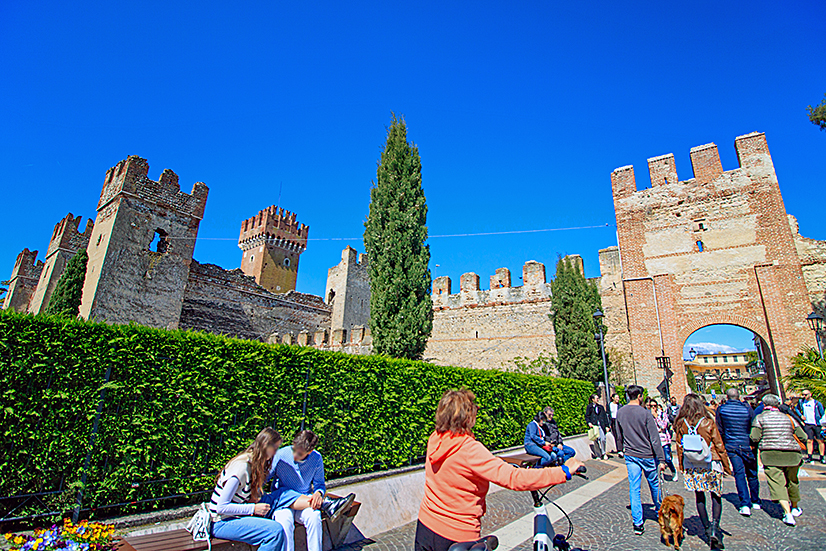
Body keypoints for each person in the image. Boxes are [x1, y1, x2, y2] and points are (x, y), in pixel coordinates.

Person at [415, 389, 583, 551]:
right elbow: (515, 478)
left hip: (425, 526)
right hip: (457, 535)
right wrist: (564, 471)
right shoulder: (470, 449)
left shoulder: (435, 438)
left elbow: (460, 469)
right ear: (466, 417)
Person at [268, 430, 355, 551]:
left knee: (314, 517)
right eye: (294, 450)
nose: (295, 456)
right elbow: (266, 477)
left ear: (309, 452)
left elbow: (319, 484)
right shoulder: (281, 454)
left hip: (305, 500)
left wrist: (318, 493)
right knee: (284, 521)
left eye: (299, 453)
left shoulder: (316, 458)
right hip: (283, 502)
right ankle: (328, 504)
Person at [208, 428, 289, 551]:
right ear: (266, 446)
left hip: (233, 517)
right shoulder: (241, 468)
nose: (275, 453)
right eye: (275, 448)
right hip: (220, 522)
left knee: (282, 498)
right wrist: (253, 509)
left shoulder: (253, 463)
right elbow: (221, 507)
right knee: (275, 532)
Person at [674, 394, 732, 550]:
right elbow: (719, 445)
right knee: (716, 495)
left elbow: (679, 447)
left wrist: (681, 465)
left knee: (699, 496)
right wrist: (726, 466)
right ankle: (715, 527)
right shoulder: (708, 422)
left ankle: (706, 528)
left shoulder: (681, 424)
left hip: (693, 464)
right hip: (711, 462)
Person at [615, 385, 666, 536]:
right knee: (654, 484)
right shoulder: (645, 413)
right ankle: (659, 511)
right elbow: (654, 438)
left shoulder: (620, 412)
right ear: (639, 396)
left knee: (634, 488)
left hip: (630, 455)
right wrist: (661, 458)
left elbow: (618, 434)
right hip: (647, 454)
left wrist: (620, 449)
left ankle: (637, 523)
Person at [752, 393, 808, 526]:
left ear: (764, 405)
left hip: (771, 454)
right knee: (792, 481)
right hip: (792, 454)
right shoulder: (789, 418)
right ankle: (794, 507)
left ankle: (787, 513)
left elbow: (754, 437)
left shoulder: (759, 418)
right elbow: (803, 436)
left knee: (777, 484)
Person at [715, 387, 761, 516]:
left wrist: (723, 444)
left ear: (727, 397)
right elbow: (753, 425)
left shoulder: (722, 409)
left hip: (732, 445)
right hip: (748, 444)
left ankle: (745, 503)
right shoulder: (747, 408)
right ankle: (756, 500)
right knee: (752, 472)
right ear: (739, 396)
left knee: (739, 474)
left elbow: (720, 428)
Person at [794, 390, 825, 464]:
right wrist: (801, 415)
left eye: (806, 395)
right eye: (803, 395)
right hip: (808, 423)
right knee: (809, 440)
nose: (804, 396)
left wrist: (823, 424)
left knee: (820, 440)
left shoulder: (816, 403)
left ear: (810, 394)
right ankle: (809, 456)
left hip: (816, 424)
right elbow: (796, 408)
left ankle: (822, 457)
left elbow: (822, 413)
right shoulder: (801, 402)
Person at [650, 400, 677, 481]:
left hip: (664, 440)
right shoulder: (649, 416)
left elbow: (663, 426)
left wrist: (656, 417)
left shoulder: (662, 414)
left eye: (654, 405)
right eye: (651, 406)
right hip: (655, 441)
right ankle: (659, 476)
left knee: (667, 458)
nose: (653, 408)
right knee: (657, 460)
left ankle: (673, 471)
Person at [586, 393, 610, 460]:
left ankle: (603, 453)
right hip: (594, 425)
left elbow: (604, 416)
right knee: (595, 440)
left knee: (603, 439)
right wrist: (589, 423)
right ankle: (598, 454)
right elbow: (587, 416)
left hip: (601, 425)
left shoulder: (600, 407)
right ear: (593, 399)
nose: (598, 400)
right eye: (596, 398)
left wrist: (607, 426)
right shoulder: (589, 407)